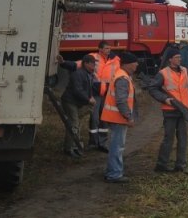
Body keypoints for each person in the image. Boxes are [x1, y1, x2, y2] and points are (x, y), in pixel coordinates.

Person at [148, 51, 188, 174]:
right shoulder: (163, 73)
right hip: (170, 111)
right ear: (170, 59)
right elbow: (152, 88)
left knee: (183, 138)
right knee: (169, 139)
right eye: (177, 57)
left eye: (180, 57)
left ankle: (180, 165)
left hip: (183, 111)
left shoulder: (184, 70)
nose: (179, 59)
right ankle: (161, 165)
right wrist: (164, 99)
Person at [101, 52, 138, 183]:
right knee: (117, 146)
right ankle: (114, 174)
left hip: (115, 117)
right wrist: (129, 117)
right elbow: (121, 101)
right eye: (135, 62)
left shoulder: (122, 75)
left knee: (116, 146)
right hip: (118, 118)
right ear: (128, 64)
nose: (137, 65)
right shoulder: (122, 78)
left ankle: (113, 172)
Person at [59, 54, 97, 157]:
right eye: (92, 63)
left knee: (75, 123)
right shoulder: (79, 74)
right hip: (70, 101)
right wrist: (89, 99)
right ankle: (69, 148)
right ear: (86, 64)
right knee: (74, 124)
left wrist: (90, 97)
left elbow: (85, 89)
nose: (94, 65)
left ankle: (74, 146)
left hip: (76, 102)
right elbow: (77, 90)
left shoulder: (89, 74)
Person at [89, 41, 120, 151]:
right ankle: (93, 142)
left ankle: (102, 143)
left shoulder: (116, 60)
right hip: (95, 92)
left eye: (109, 48)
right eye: (106, 48)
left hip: (107, 93)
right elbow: (79, 64)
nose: (109, 50)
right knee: (94, 118)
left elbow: (119, 73)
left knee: (104, 118)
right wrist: (64, 63)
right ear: (100, 49)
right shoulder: (93, 57)